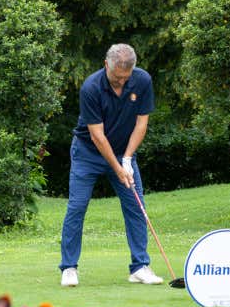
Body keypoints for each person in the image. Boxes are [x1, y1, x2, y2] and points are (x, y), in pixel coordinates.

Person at [59, 43, 162, 286]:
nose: (121, 83)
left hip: (123, 152)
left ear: (133, 71)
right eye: (117, 78)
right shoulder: (91, 87)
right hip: (88, 153)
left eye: (125, 78)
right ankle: (69, 268)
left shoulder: (143, 81)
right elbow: (97, 136)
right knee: (77, 207)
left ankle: (140, 266)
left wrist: (126, 159)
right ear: (107, 65)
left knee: (136, 206)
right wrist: (117, 167)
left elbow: (141, 125)